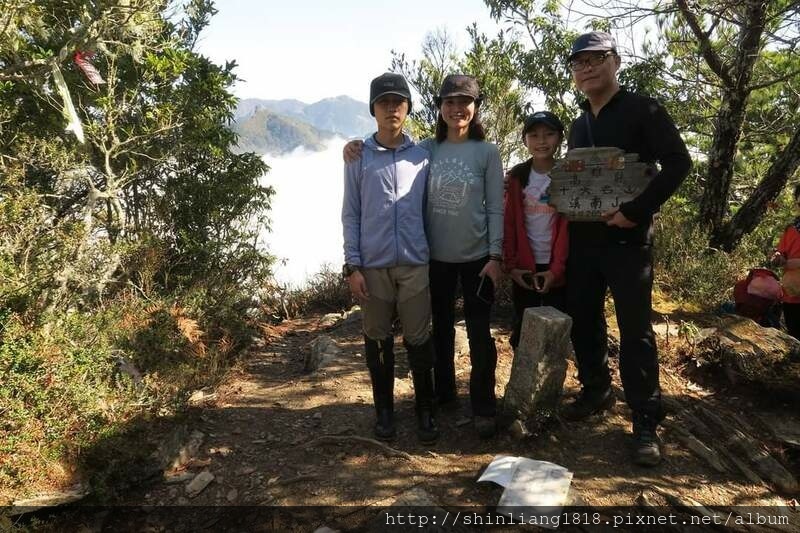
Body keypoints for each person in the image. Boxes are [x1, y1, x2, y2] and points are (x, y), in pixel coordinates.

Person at [344, 74, 504, 438]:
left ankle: (481, 405)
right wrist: (351, 148)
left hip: (471, 257)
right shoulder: (427, 149)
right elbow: (360, 199)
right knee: (440, 332)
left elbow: (496, 207)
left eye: (464, 102)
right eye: (449, 102)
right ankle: (440, 397)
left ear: (476, 107)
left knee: (478, 334)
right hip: (433, 259)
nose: (457, 108)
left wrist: (496, 255)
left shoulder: (479, 152)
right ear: (439, 108)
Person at [561, 32, 692, 467]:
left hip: (629, 242)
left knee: (635, 331)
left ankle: (645, 419)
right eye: (579, 63)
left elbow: (678, 162)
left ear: (616, 61)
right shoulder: (580, 123)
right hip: (585, 241)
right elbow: (578, 180)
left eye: (596, 59)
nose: (587, 68)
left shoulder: (643, 109)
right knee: (584, 318)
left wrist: (636, 211)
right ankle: (596, 389)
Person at [341, 72, 438, 444]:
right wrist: (352, 265)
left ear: (408, 107)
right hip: (373, 266)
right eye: (384, 102)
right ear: (373, 109)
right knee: (377, 338)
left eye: (399, 101)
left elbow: (430, 211)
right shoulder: (358, 157)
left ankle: (425, 409)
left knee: (419, 339)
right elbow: (351, 213)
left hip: (415, 264)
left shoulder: (422, 157)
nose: (392, 108)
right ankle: (384, 410)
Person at [503, 111, 569, 349]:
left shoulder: (568, 175)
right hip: (524, 267)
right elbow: (509, 223)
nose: (542, 141)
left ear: (560, 138)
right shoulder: (518, 177)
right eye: (534, 135)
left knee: (556, 330)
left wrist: (556, 271)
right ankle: (523, 381)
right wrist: (511, 267)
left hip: (557, 268)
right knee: (522, 328)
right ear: (525, 140)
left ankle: (550, 383)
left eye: (549, 134)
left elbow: (568, 230)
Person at [771, 184, 800, 340]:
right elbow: (780, 253)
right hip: (792, 293)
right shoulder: (791, 229)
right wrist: (778, 257)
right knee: (795, 337)